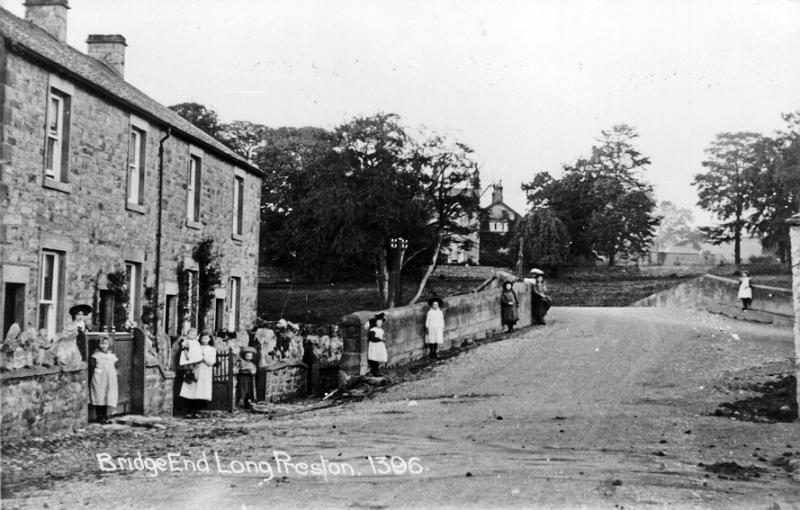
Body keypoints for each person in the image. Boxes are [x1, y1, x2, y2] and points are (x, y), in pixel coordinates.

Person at [180, 330, 216, 418]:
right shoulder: (196, 346)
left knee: (201, 391)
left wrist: (203, 358)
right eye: (203, 338)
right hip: (194, 370)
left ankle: (197, 411)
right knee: (191, 389)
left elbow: (211, 362)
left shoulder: (211, 349)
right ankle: (189, 410)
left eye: (206, 338)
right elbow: (188, 354)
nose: (204, 340)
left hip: (204, 372)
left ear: (209, 339)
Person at [89, 336, 118, 424]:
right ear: (98, 345)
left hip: (109, 379)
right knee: (99, 396)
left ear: (109, 344)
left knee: (107, 396)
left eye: (106, 344)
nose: (104, 346)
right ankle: (100, 416)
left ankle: (106, 416)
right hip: (100, 379)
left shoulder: (111, 355)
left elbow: (115, 366)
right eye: (102, 344)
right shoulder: (96, 356)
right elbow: (92, 367)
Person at [367, 312, 388, 377]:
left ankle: (377, 370)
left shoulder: (380, 330)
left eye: (381, 322)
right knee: (374, 358)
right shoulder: (373, 330)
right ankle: (374, 371)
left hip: (379, 346)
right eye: (379, 322)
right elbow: (372, 338)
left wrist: (382, 339)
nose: (380, 323)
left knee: (378, 358)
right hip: (374, 345)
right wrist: (380, 339)